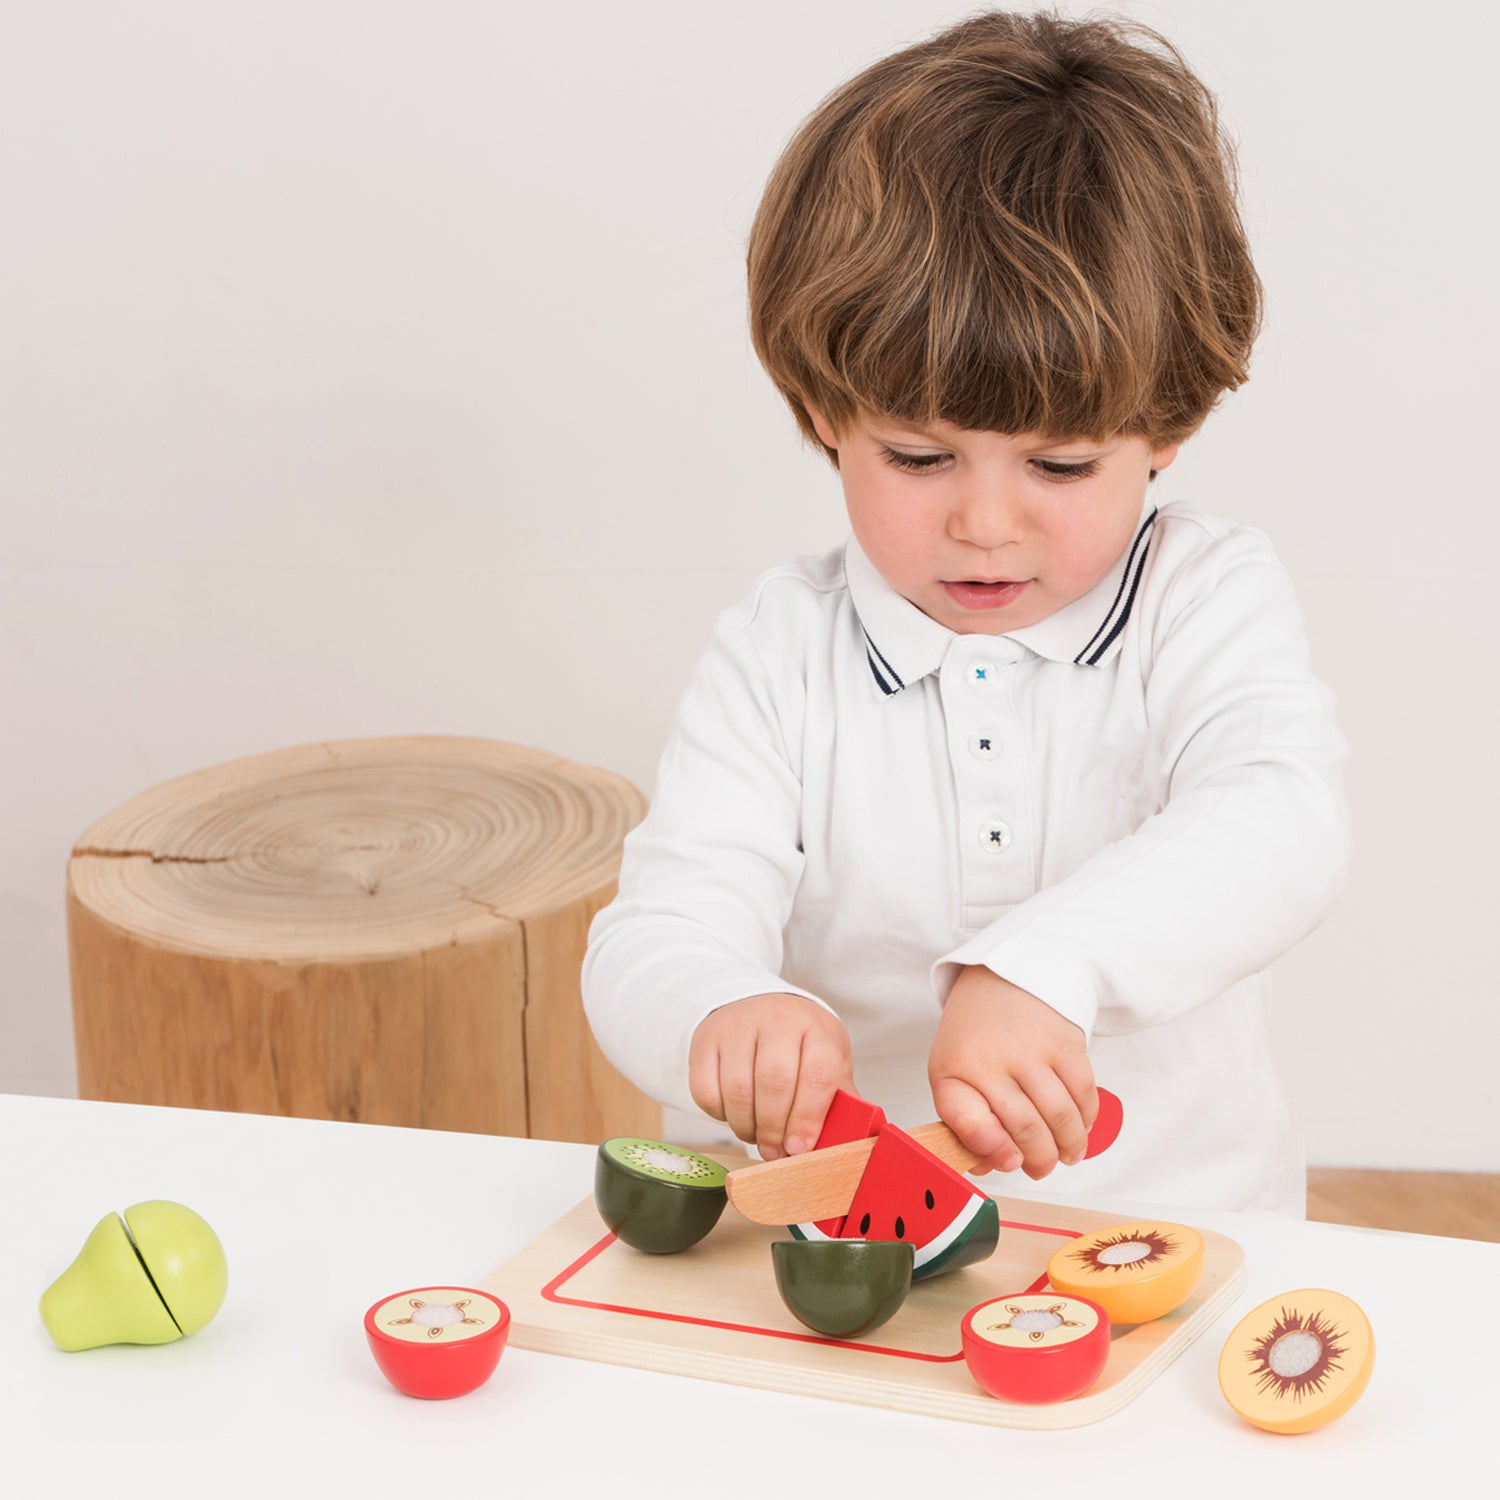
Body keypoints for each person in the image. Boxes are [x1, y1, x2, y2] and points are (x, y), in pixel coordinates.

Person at [581, 9, 1348, 1215]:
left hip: (1179, 1228)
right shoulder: (782, 649)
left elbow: (1282, 821)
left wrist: (1044, 964)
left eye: (1060, 468)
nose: (987, 525)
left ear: (1168, 433)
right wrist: (716, 1007)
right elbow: (655, 929)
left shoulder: (1203, 597)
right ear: (823, 410)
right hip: (841, 1235)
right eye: (920, 458)